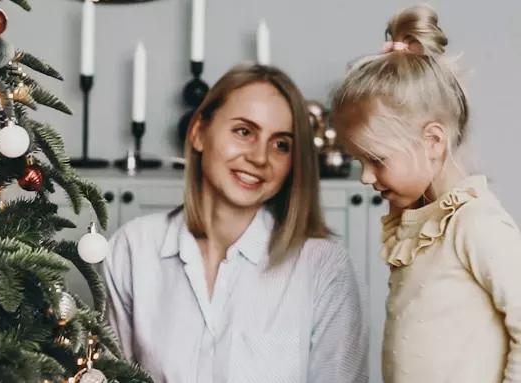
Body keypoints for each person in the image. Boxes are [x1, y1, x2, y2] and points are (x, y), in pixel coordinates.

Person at [103, 63, 368, 383]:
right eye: (244, 132)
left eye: (281, 144)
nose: (259, 157)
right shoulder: (133, 248)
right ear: (199, 132)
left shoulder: (324, 267)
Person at [329, 4, 521, 383]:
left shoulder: (475, 223)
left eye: (376, 159)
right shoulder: (416, 225)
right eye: (358, 161)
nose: (366, 177)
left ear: (433, 141)